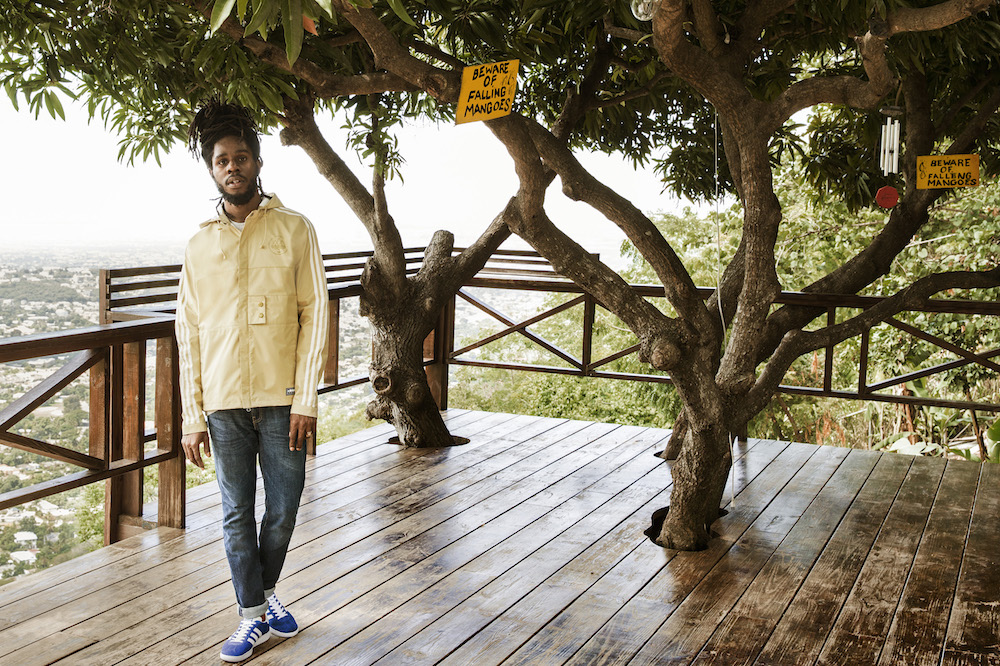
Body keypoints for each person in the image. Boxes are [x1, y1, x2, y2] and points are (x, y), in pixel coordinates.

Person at [176, 101, 329, 663]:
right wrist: (192, 416)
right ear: (211, 169)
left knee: (284, 508)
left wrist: (307, 399)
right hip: (222, 403)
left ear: (257, 162)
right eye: (221, 160)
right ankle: (252, 615)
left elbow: (315, 313)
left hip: (283, 400)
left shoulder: (295, 229)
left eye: (240, 157)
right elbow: (188, 331)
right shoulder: (199, 245)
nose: (232, 167)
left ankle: (262, 597)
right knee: (236, 513)